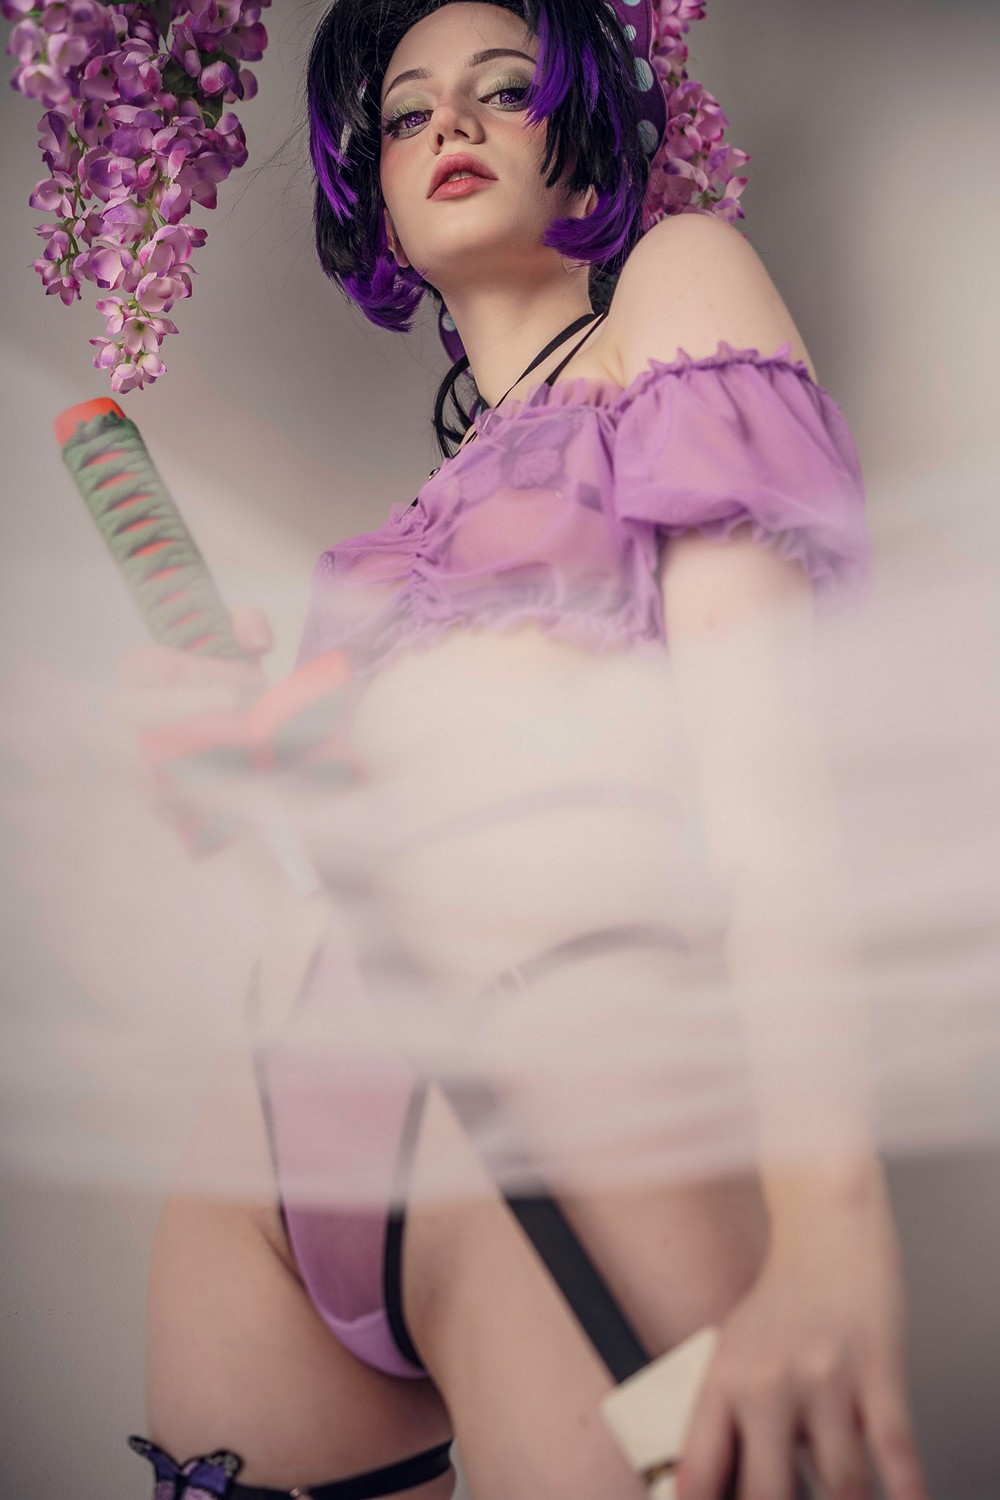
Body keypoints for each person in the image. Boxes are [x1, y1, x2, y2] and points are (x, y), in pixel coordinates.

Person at [119, 3, 932, 1498]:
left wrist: (833, 1225)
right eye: (408, 113)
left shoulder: (676, 294)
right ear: (379, 192)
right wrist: (233, 773)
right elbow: (346, 883)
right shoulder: (392, 539)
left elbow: (770, 780)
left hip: (567, 1109)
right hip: (269, 1159)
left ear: (589, 150)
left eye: (504, 89)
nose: (451, 124)